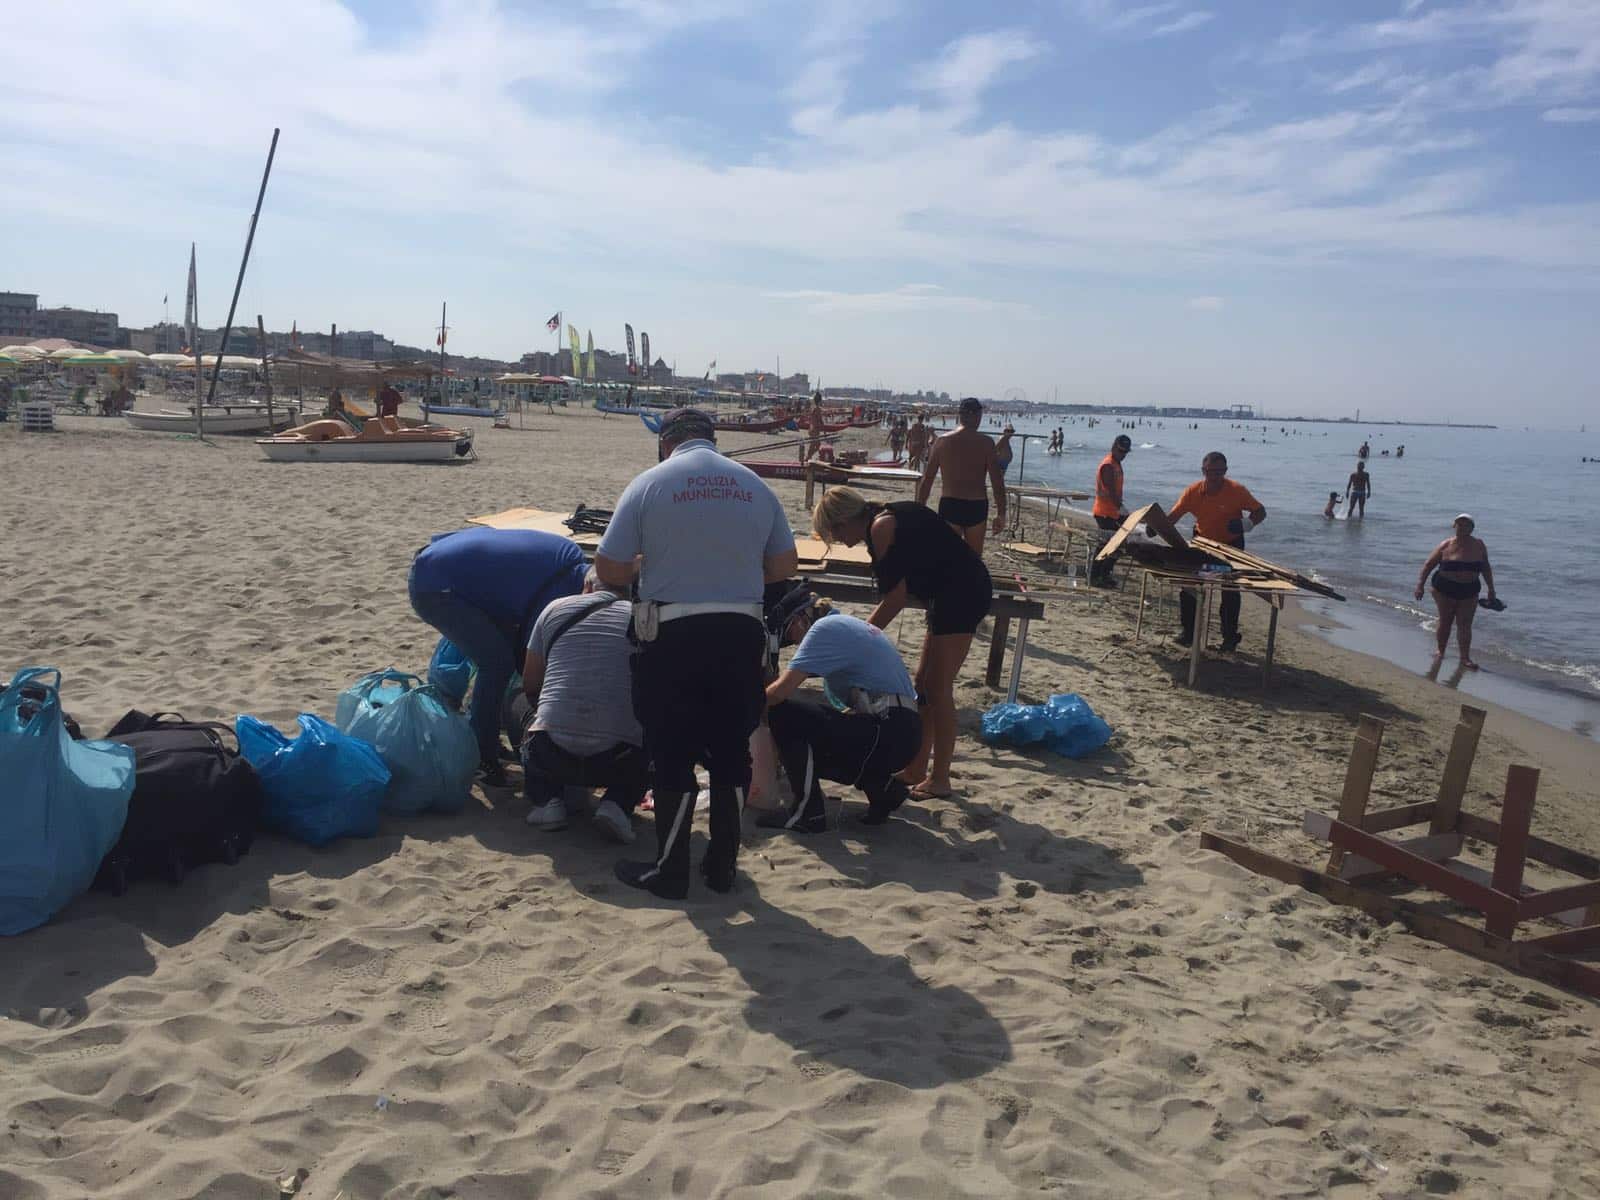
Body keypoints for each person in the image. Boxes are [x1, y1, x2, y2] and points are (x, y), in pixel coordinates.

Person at [595, 408, 798, 899]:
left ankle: (670, 869)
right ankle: (721, 866)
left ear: (667, 443)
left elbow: (608, 569)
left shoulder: (648, 484)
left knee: (672, 750)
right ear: (713, 439)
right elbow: (785, 564)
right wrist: (733, 573)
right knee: (730, 750)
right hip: (739, 631)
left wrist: (648, 566)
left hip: (674, 634)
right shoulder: (753, 486)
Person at [813, 486, 992, 800]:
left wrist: (857, 640)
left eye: (834, 534)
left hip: (963, 592)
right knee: (922, 685)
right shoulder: (880, 518)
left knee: (939, 688)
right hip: (944, 594)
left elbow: (894, 600)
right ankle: (916, 768)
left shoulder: (882, 527)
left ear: (843, 521)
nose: (839, 541)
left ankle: (941, 779)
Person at [409, 528, 586, 783]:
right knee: (497, 664)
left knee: (502, 656)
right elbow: (532, 656)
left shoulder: (571, 558)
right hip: (436, 587)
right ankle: (481, 756)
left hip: (444, 562)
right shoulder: (561, 592)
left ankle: (484, 732)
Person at [756, 583, 922, 833]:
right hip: (903, 733)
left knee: (784, 714)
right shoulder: (847, 626)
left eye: (791, 634)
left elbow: (779, 693)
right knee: (816, 741)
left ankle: (807, 814)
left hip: (887, 729)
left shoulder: (823, 629)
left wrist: (739, 708)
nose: (794, 642)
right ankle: (885, 791)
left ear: (802, 619)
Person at [513, 567, 646, 844]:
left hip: (552, 752)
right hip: (620, 759)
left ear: (587, 586)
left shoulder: (554, 609)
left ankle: (546, 799)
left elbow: (531, 685)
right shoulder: (643, 619)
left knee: (515, 699)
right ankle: (618, 804)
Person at [1166, 452, 1267, 652]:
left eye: (1220, 472)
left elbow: (1260, 511)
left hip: (1231, 546)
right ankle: (1189, 633)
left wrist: (1248, 523)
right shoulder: (1192, 492)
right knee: (1190, 586)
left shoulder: (1237, 491)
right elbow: (1172, 517)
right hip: (1202, 543)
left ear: (1226, 471)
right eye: (1212, 472)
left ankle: (1229, 638)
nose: (1216, 477)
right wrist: (1152, 528)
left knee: (1229, 591)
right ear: (1204, 471)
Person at [916, 397, 1006, 553]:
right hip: (976, 506)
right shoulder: (986, 443)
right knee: (973, 560)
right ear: (978, 416)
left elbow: (928, 478)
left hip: (950, 504)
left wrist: (920, 508)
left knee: (949, 559)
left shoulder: (942, 441)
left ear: (960, 415)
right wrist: (1001, 513)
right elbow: (997, 481)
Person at [1414, 514, 1496, 670]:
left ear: (1472, 528)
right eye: (1459, 525)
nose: (1462, 527)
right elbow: (1428, 565)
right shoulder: (1446, 544)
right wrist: (1420, 585)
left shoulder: (1479, 545)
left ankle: (1465, 658)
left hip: (1469, 589)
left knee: (1465, 624)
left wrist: (1491, 589)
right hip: (1444, 587)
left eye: (1466, 525)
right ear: (1454, 527)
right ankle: (1440, 651)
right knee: (1446, 621)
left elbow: (1485, 567)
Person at [1089, 434, 1133, 586]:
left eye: (1125, 452)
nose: (1123, 455)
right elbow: (1110, 491)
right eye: (1121, 451)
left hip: (1113, 511)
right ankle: (1095, 577)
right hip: (1104, 512)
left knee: (1117, 546)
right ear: (1114, 447)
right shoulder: (1108, 465)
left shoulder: (1117, 463)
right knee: (1105, 546)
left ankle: (1105, 574)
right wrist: (1122, 509)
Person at [804, 391, 825, 462]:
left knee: (815, 445)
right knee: (815, 445)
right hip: (814, 429)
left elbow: (818, 419)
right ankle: (808, 458)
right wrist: (824, 427)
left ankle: (808, 457)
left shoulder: (814, 408)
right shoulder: (817, 409)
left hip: (812, 428)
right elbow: (820, 419)